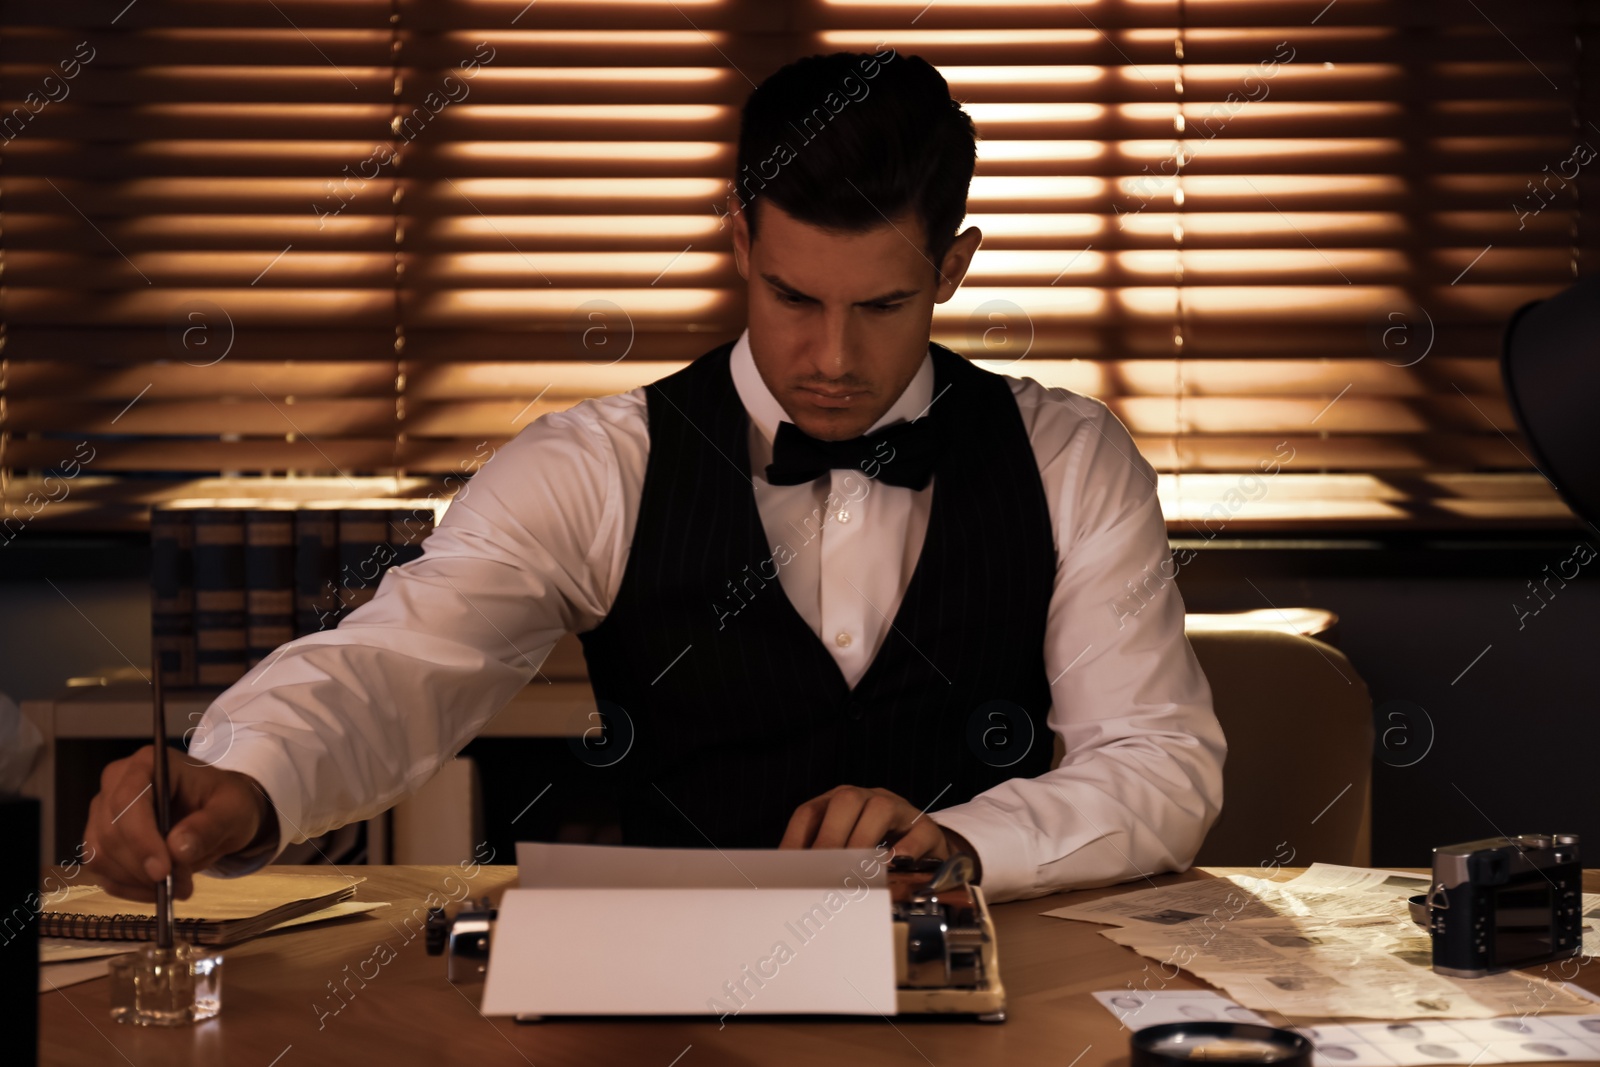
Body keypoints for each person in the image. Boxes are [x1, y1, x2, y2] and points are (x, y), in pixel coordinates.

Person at [82, 50, 1225, 906]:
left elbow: (1160, 759)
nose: (832, 360)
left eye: (883, 305)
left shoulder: (1070, 458)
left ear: (955, 266)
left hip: (997, 985)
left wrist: (965, 836)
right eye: (793, 297)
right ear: (736, 237)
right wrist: (246, 774)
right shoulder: (598, 463)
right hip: (677, 1004)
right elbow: (399, 659)